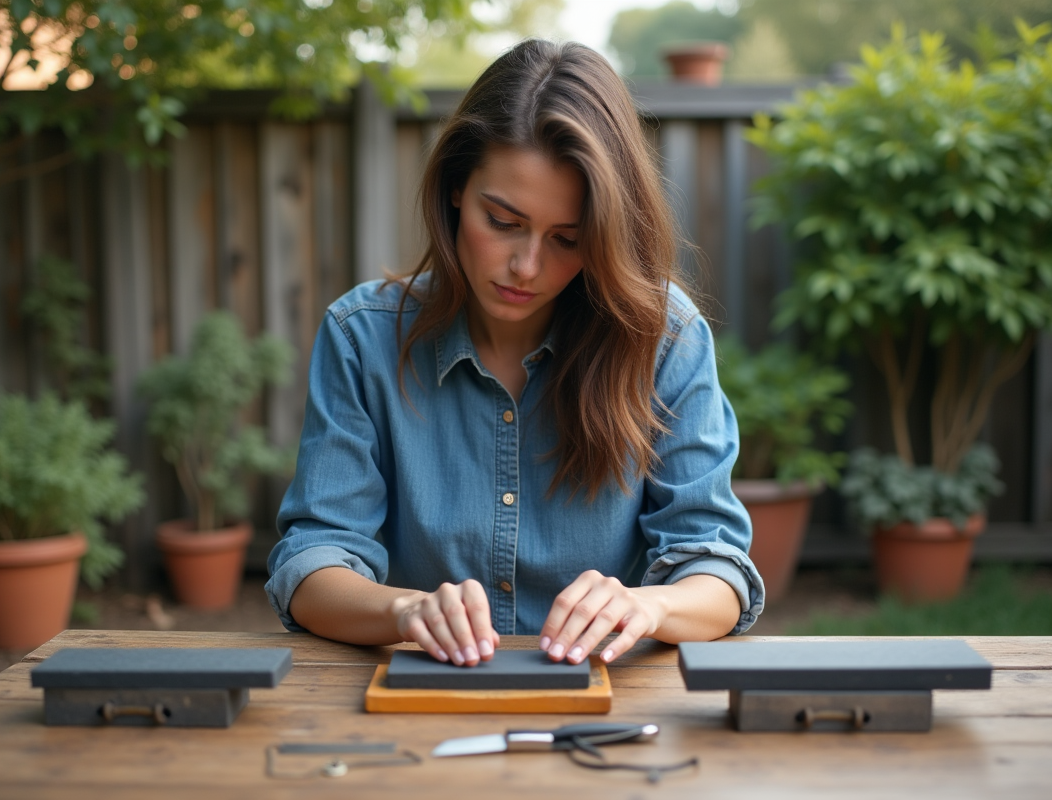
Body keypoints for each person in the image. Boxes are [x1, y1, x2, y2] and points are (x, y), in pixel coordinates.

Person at [265, 39, 763, 670]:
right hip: (423, 709)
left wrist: (650, 607)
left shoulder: (665, 339)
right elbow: (313, 561)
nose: (527, 267)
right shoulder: (362, 337)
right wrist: (402, 611)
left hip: (609, 717)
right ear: (454, 188)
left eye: (567, 239)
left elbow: (715, 565)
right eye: (502, 221)